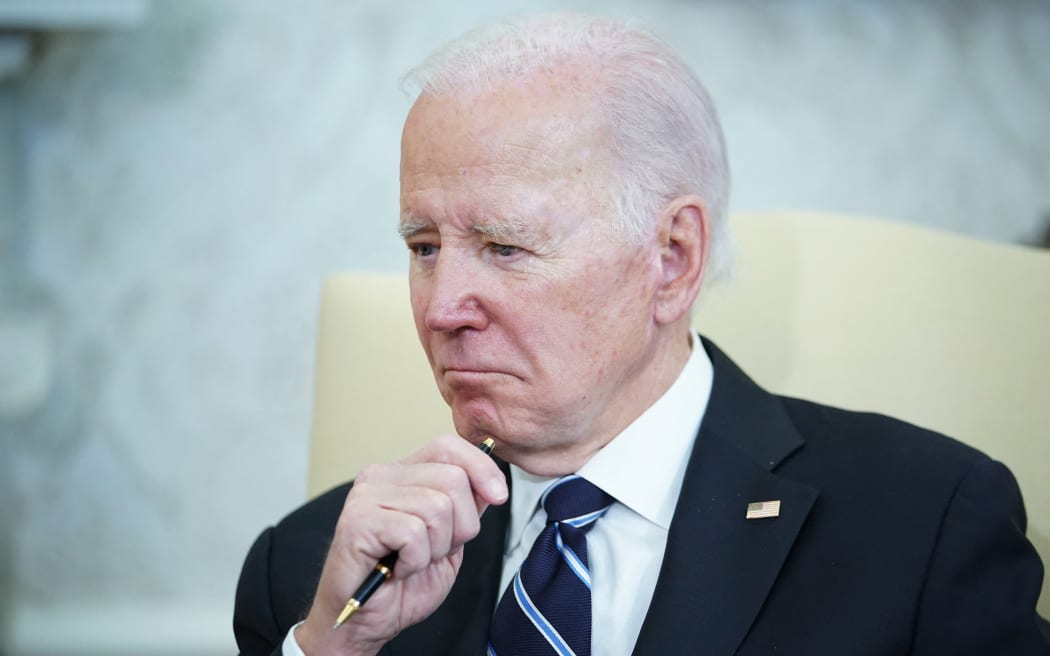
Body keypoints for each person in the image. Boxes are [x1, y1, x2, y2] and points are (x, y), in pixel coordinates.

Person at [234, 13, 1049, 656]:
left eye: (505, 248)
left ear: (672, 258)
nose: (441, 306)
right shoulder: (314, 576)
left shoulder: (923, 529)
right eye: (422, 248)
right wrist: (331, 649)